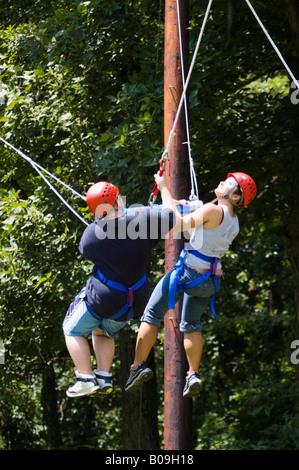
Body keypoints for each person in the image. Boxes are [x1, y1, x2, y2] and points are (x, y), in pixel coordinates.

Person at [124, 172, 257, 397]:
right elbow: (201, 223)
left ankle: (137, 367)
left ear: (235, 196)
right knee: (192, 324)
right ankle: (193, 374)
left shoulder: (213, 210)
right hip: (209, 281)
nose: (223, 181)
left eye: (229, 183)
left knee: (151, 315)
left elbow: (177, 225)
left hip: (187, 273)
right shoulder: (233, 221)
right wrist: (179, 204)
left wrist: (164, 187)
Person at [63, 181, 174, 397]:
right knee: (103, 331)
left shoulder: (92, 235)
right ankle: (103, 377)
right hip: (135, 302)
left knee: (72, 330)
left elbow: (87, 251)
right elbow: (170, 214)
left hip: (106, 299)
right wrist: (163, 189)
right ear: (117, 200)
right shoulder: (145, 221)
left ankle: (85, 377)